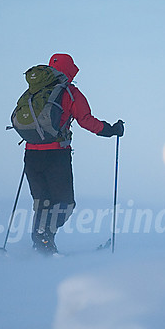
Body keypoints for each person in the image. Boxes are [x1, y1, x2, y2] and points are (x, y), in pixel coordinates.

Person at [24, 53, 124, 255]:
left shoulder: (34, 91)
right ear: (69, 70)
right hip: (56, 155)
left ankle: (41, 244)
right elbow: (86, 120)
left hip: (30, 154)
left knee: (42, 202)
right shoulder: (70, 92)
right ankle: (44, 238)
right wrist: (111, 130)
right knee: (65, 203)